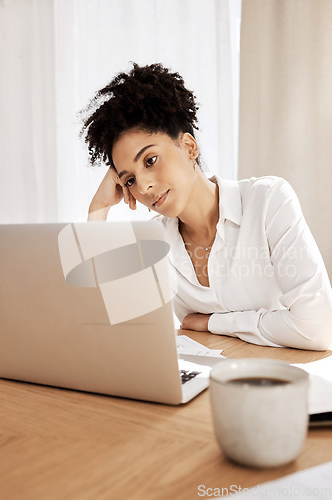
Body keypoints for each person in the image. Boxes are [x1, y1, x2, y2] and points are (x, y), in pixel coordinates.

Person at [80, 62, 332, 350]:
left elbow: (319, 327)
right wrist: (98, 209)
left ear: (189, 147)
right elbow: (107, 329)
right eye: (129, 181)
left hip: (276, 379)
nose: (144, 187)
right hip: (204, 381)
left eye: (150, 160)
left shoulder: (268, 202)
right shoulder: (154, 241)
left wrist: (213, 322)